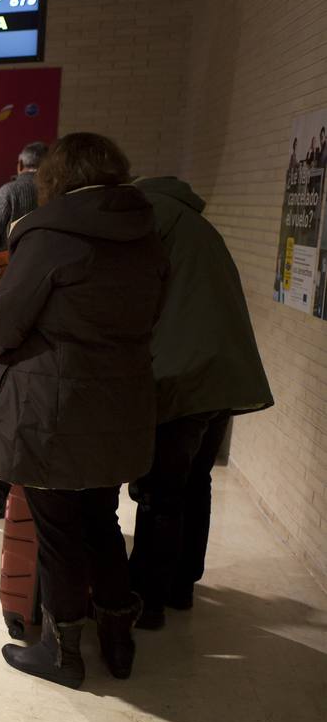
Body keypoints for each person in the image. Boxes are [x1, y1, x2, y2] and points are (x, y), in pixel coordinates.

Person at [0, 133, 167, 689]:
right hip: (121, 398)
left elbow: (1, 325)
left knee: (56, 529)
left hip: (53, 405)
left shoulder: (49, 234)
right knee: (101, 517)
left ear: (54, 177)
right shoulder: (148, 232)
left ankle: (62, 650)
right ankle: (118, 640)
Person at [128, 176, 274, 630]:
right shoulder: (196, 224)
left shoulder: (149, 220)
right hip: (224, 372)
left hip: (184, 373)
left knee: (161, 491)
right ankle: (181, 586)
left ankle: (147, 598)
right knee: (195, 482)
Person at [0, 141, 47, 252]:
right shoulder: (58, 192)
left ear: (21, 164)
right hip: (48, 265)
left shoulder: (8, 191)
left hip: (12, 265)